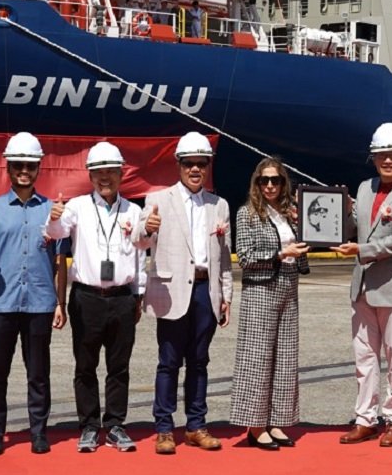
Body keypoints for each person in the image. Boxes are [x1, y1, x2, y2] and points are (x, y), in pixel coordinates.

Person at [0, 132, 67, 456]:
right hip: (0, 304)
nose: (24, 170)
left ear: (39, 168)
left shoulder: (52, 211)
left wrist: (61, 302)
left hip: (39, 302)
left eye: (30, 165)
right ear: (8, 167)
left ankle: (38, 432)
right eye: (19, 164)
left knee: (38, 373)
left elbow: (61, 261)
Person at [45, 141, 146, 453]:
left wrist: (138, 295)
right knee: (85, 366)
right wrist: (54, 216)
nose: (105, 177)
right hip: (86, 297)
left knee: (119, 366)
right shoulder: (76, 207)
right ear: (90, 175)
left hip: (121, 297)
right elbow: (57, 233)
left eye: (111, 171)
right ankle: (89, 426)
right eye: (99, 172)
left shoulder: (134, 210)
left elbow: (141, 255)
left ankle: (115, 424)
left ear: (121, 173)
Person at [334, 122, 392, 447]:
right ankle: (365, 418)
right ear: (373, 158)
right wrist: (338, 215)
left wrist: (362, 251)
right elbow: (355, 228)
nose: (386, 160)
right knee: (364, 357)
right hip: (362, 285)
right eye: (380, 155)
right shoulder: (363, 188)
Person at [139, 131, 233, 455]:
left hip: (206, 289)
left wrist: (227, 297)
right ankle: (164, 428)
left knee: (199, 361)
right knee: (168, 362)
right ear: (178, 165)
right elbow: (139, 241)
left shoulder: (219, 205)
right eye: (190, 164)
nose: (196, 169)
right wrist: (146, 228)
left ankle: (196, 425)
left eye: (201, 164)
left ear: (208, 166)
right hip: (172, 290)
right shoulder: (158, 200)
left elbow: (224, 258)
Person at [230, 157, 309, 450]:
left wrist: (304, 237)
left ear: (283, 182)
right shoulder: (246, 215)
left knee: (285, 358)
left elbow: (301, 250)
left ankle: (277, 421)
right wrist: (279, 253)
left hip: (288, 286)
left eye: (276, 180)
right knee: (257, 359)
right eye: (265, 180)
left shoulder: (290, 214)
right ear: (257, 183)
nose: (271, 185)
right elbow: (246, 257)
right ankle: (255, 426)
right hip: (261, 291)